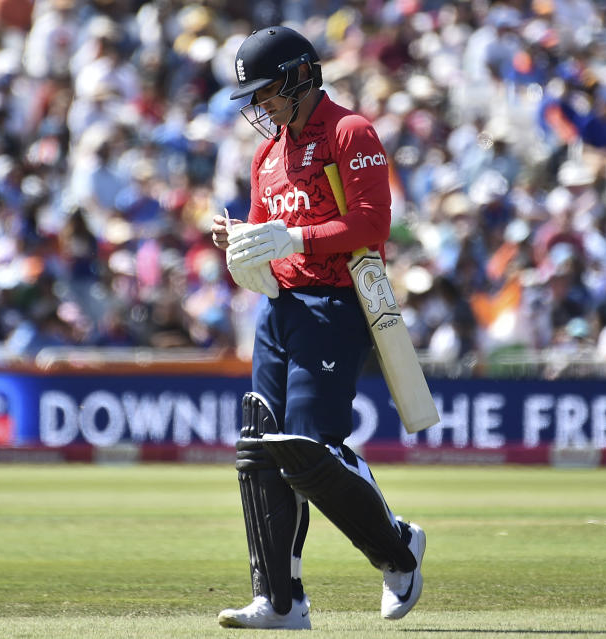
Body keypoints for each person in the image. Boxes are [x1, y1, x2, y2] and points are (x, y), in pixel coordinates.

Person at [209, 26, 426, 631]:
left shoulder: (349, 132)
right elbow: (264, 243)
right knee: (258, 450)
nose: (262, 105)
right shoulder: (265, 154)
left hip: (335, 305)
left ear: (303, 74)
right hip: (278, 311)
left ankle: (398, 548)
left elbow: (370, 225)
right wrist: (243, 251)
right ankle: (280, 601)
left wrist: (295, 237)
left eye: (270, 90)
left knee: (308, 451)